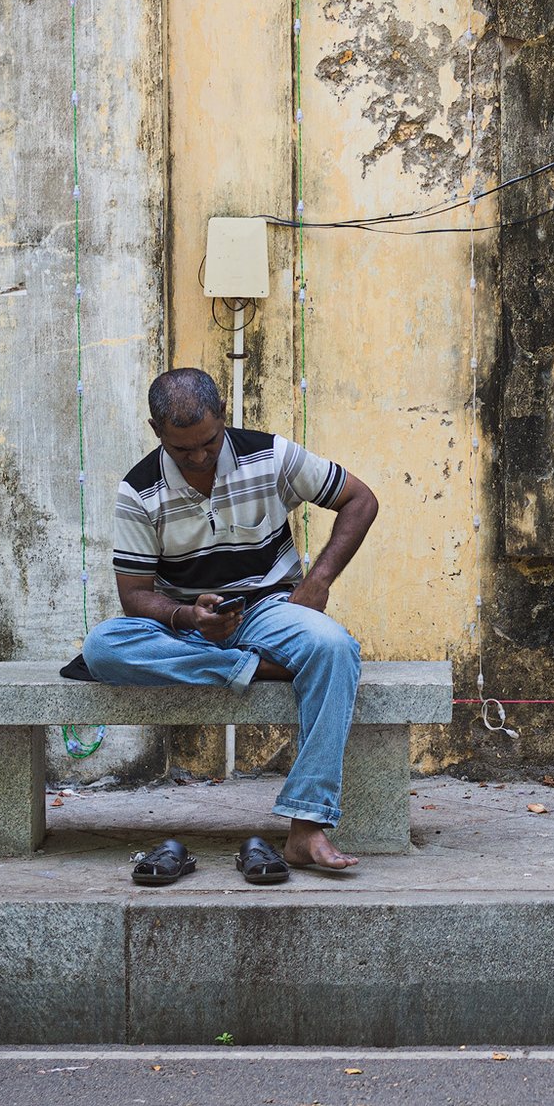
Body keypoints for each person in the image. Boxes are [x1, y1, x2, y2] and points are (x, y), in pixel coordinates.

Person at [81, 367, 380, 877]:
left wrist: (319, 581)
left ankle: (306, 827)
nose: (198, 458)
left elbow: (361, 499)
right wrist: (186, 616)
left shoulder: (272, 455)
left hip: (271, 610)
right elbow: (134, 597)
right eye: (183, 450)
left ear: (223, 417)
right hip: (187, 623)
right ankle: (251, 667)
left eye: (208, 443)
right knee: (102, 647)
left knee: (334, 647)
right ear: (157, 431)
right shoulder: (137, 491)